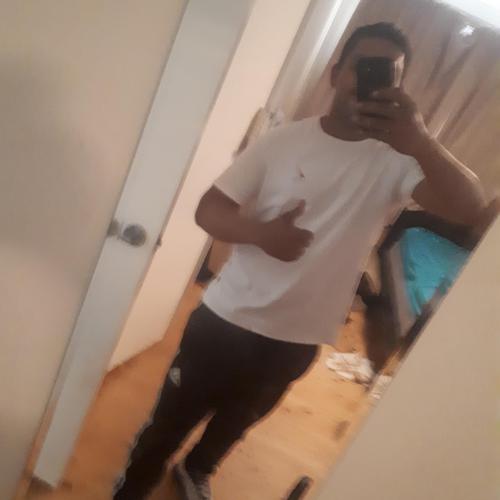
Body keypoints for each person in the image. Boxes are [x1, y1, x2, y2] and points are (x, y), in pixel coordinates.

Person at [113, 22, 485, 500]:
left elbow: (473, 210)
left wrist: (419, 141)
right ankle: (134, 485)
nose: (370, 81)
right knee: (169, 422)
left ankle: (196, 470)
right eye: (362, 67)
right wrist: (262, 234)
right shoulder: (282, 142)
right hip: (227, 320)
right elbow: (209, 209)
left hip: (299, 338)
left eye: (387, 74)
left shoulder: (398, 161)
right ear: (336, 73)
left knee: (237, 422)